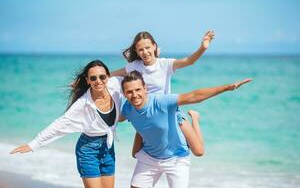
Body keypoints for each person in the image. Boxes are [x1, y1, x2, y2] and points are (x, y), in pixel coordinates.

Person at [120, 71, 252, 188]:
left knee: (199, 151)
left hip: (176, 157)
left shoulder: (161, 101)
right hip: (150, 156)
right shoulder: (127, 108)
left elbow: (194, 95)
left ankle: (194, 118)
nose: (135, 95)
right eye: (129, 92)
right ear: (124, 94)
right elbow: (112, 117)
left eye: (138, 90)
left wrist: (227, 88)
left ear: (145, 88)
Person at [10, 60, 123, 188]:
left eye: (102, 76)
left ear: (108, 76)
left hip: (108, 148)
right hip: (88, 151)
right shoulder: (82, 104)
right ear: (88, 80)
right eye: (93, 78)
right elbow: (59, 124)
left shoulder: (115, 85)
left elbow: (132, 72)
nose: (98, 81)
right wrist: (34, 143)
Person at [111, 30, 215, 157]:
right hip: (144, 116)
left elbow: (189, 61)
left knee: (199, 152)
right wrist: (91, 79)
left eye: (147, 47)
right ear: (137, 52)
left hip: (167, 113)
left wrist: (203, 47)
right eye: (141, 49)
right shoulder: (134, 66)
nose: (145, 52)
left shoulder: (165, 64)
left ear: (154, 46)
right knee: (136, 154)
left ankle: (195, 118)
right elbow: (111, 75)